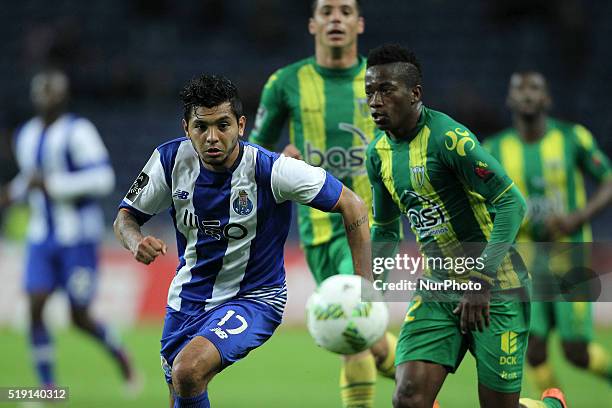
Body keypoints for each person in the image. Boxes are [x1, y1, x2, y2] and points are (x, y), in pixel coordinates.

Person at [113, 73, 373, 408]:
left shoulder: (271, 170)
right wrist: (135, 241)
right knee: (180, 390)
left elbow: (353, 205)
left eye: (223, 125)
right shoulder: (169, 161)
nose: (212, 137)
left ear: (241, 125)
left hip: (255, 297)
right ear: (186, 128)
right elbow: (124, 218)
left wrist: (366, 288)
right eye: (201, 127)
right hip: (187, 297)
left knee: (188, 371)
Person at [364, 44, 567, 408]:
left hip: (497, 285)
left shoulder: (449, 139)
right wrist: (371, 289)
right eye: (369, 92)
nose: (375, 101)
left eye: (386, 90)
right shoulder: (376, 155)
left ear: (415, 94)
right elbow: (385, 228)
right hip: (438, 286)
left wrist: (481, 278)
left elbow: (511, 203)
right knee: (408, 398)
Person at [249, 1, 396, 405]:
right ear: (312, 23)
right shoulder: (285, 82)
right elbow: (252, 156)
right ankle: (425, 393)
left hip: (370, 228)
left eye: (346, 11)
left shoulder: (382, 81)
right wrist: (280, 162)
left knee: (352, 330)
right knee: (374, 340)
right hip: (315, 233)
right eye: (327, 10)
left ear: (359, 23)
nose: (336, 18)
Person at [0, 70, 136, 391]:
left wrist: (53, 185)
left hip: (77, 237)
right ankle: (48, 388)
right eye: (42, 90)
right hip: (40, 237)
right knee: (35, 307)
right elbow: (30, 178)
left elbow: (102, 178)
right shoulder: (26, 134)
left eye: (53, 90)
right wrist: (11, 193)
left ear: (63, 96)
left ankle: (118, 352)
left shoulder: (79, 132)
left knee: (79, 316)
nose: (46, 96)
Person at [485, 71, 612, 393]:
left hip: (570, 254)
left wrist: (577, 217)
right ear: (510, 99)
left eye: (535, 89)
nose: (527, 95)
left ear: (547, 99)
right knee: (534, 348)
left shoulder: (573, 138)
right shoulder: (493, 149)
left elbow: (608, 179)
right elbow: (480, 201)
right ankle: (557, 403)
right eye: (520, 89)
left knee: (576, 352)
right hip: (524, 259)